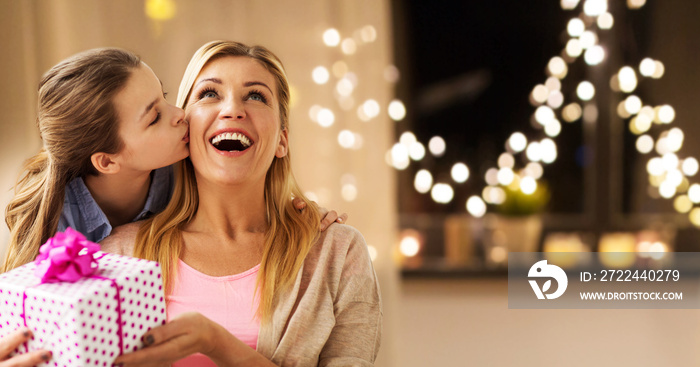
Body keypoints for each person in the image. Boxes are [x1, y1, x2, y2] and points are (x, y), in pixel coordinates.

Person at [0, 47, 345, 367]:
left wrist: (293, 210)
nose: (179, 114)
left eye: (165, 98)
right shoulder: (60, 224)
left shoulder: (177, 167)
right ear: (107, 161)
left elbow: (239, 177)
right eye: (154, 118)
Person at [102, 40, 382, 366]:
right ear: (184, 128)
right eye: (209, 94)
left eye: (256, 96)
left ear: (282, 140)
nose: (233, 109)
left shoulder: (337, 253)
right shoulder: (120, 255)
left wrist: (215, 342)